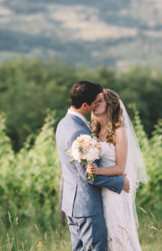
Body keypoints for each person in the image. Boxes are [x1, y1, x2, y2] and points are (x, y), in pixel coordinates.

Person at [56, 81, 130, 251]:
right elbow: (89, 175)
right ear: (85, 105)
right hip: (86, 205)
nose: (98, 104)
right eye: (96, 101)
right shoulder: (79, 132)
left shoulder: (63, 123)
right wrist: (121, 183)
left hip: (72, 203)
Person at [87, 89, 147, 251]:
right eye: (94, 101)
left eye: (100, 101)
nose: (95, 104)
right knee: (104, 238)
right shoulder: (94, 131)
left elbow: (120, 167)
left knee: (119, 235)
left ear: (110, 105)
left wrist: (96, 171)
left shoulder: (119, 131)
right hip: (99, 191)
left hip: (115, 193)